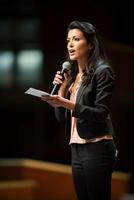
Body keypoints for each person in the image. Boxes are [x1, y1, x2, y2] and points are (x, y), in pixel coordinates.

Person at [41, 20, 117, 200]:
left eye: (76, 39)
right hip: (76, 149)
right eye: (68, 40)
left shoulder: (102, 71)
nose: (70, 44)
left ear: (90, 44)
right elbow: (61, 117)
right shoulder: (73, 76)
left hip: (97, 147)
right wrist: (61, 90)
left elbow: (101, 113)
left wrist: (65, 103)